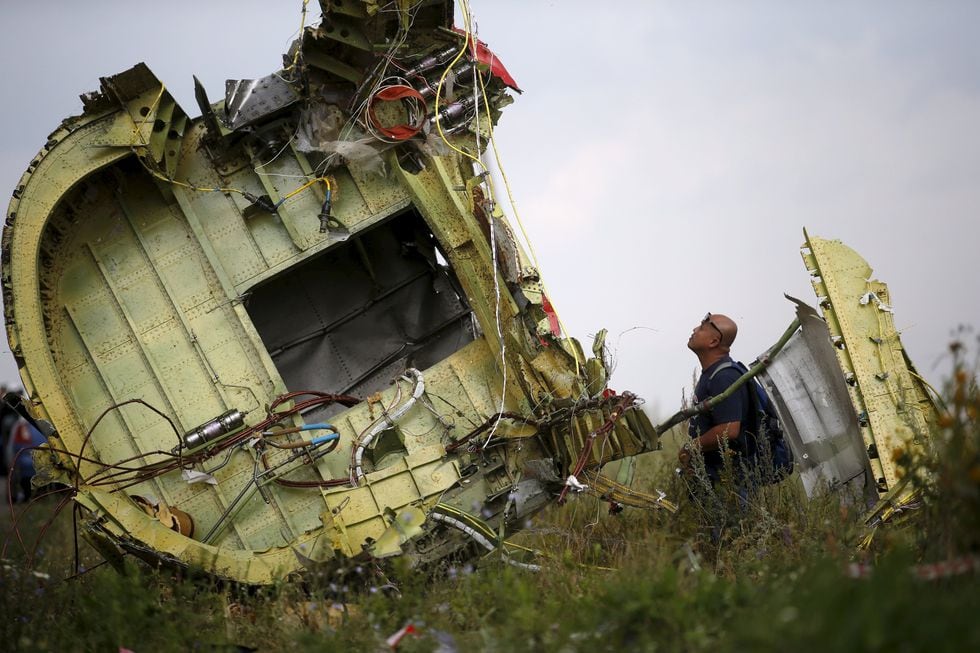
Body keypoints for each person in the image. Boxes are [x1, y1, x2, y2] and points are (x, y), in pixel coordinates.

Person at [677, 312, 753, 484]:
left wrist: (691, 447)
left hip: (730, 482)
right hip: (717, 477)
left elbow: (729, 429)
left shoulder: (724, 377)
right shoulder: (713, 373)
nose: (695, 329)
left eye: (702, 328)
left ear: (713, 342)